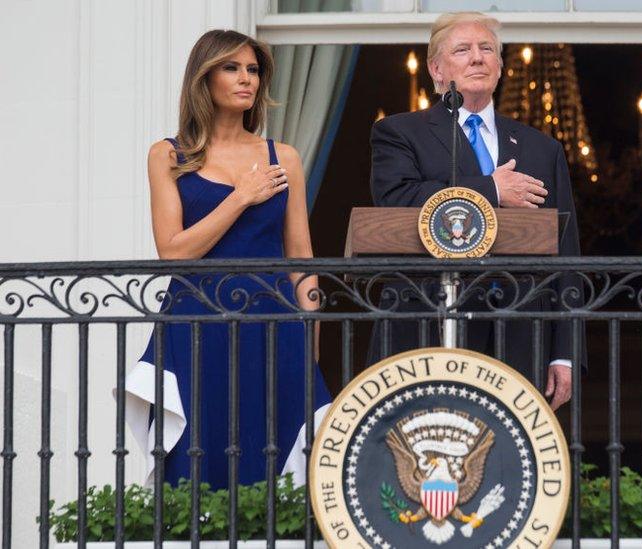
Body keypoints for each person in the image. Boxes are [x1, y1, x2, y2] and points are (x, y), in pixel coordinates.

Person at [119, 30, 331, 489]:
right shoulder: (169, 155)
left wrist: (310, 327)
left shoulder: (283, 157)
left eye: (253, 70)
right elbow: (173, 252)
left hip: (275, 319)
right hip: (196, 321)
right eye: (232, 68)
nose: (246, 79)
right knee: (200, 441)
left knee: (280, 440)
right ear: (204, 78)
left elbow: (301, 254)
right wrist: (240, 198)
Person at [367, 12, 583, 410]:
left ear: (501, 66)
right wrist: (490, 190)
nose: (477, 58)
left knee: (508, 460)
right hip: (426, 322)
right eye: (463, 50)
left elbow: (565, 254)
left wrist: (563, 352)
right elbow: (397, 201)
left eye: (487, 49)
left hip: (519, 331)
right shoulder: (400, 132)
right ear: (436, 69)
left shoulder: (541, 148)